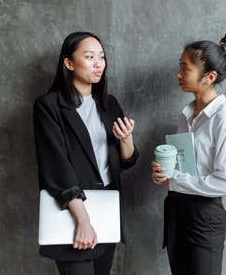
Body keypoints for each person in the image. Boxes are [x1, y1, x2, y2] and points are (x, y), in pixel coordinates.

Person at [33, 31, 138, 275]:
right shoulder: (48, 106)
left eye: (101, 57)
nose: (98, 63)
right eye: (89, 56)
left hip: (106, 208)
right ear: (69, 63)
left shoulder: (109, 104)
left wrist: (126, 139)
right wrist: (82, 219)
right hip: (73, 210)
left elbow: (127, 161)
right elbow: (55, 166)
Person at [151, 32, 226, 275]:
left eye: (185, 68)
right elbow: (185, 167)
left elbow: (225, 182)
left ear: (209, 77)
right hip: (178, 212)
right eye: (179, 67)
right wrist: (163, 173)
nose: (178, 74)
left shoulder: (224, 118)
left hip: (205, 219)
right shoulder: (188, 114)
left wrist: (174, 180)